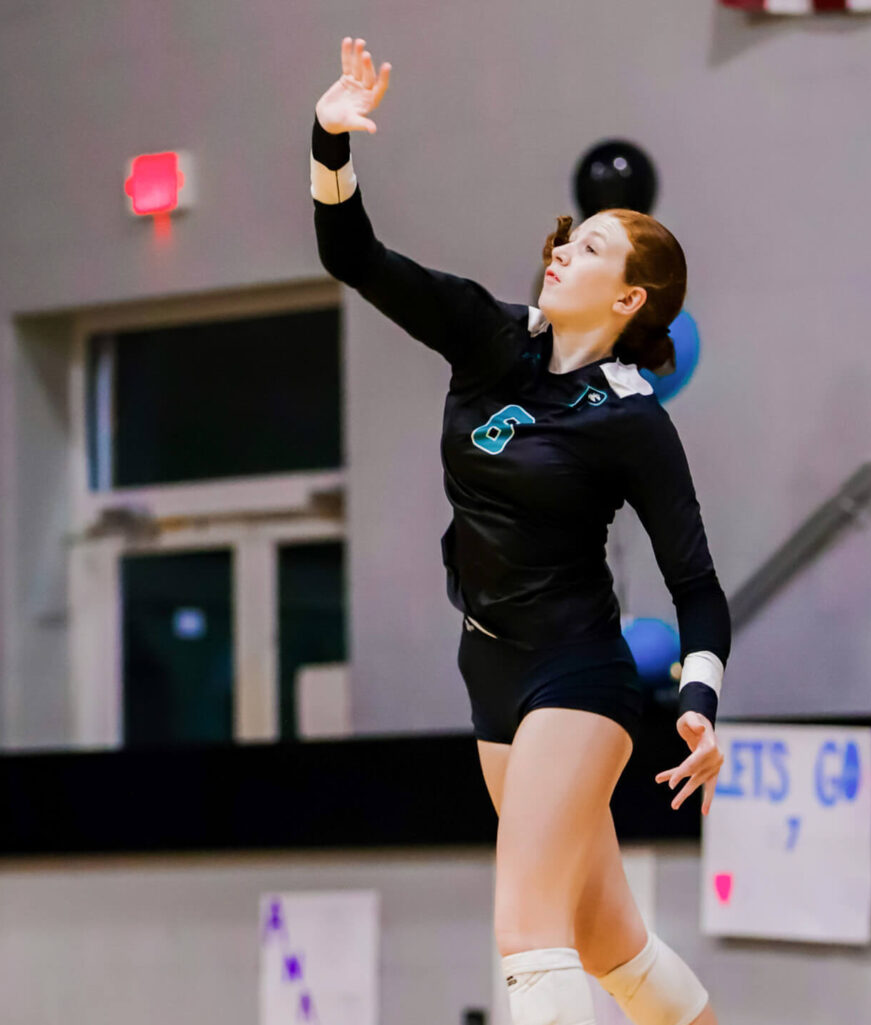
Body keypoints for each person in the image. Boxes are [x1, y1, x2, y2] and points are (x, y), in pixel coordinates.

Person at [311, 37, 730, 1025]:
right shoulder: (487, 337)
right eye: (564, 237)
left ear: (628, 299)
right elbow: (350, 252)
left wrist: (703, 701)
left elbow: (695, 583)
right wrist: (329, 137)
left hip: (576, 677)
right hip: (488, 666)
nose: (560, 250)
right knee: (606, 940)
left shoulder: (629, 418)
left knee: (525, 923)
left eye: (589, 249)